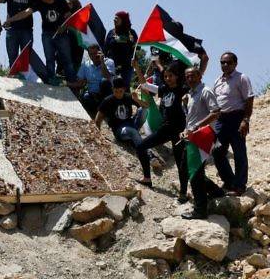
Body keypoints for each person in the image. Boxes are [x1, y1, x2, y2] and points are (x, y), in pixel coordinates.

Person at [133, 60, 188, 198]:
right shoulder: (164, 89)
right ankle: (147, 178)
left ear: (177, 76)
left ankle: (183, 192)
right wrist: (137, 67)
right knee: (140, 146)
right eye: (166, 76)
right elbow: (145, 85)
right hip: (165, 129)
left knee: (181, 163)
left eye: (171, 76)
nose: (168, 78)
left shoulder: (182, 89)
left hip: (179, 131)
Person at [180, 66, 224, 219]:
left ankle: (200, 210)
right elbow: (192, 118)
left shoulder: (205, 91)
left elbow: (216, 112)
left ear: (200, 76)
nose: (190, 79)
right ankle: (215, 191)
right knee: (188, 169)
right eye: (187, 76)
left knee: (195, 173)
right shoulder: (191, 94)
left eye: (193, 76)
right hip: (192, 137)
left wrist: (196, 127)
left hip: (202, 136)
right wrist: (186, 130)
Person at [212, 51, 254, 195]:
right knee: (217, 151)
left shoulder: (242, 78)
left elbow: (249, 99)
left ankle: (240, 186)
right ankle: (230, 182)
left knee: (239, 152)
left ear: (235, 63)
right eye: (222, 62)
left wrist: (245, 120)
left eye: (228, 62)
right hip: (221, 120)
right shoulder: (217, 81)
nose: (225, 65)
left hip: (237, 118)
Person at [0, 0, 38, 66]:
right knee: (12, 56)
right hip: (12, 30)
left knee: (26, 55)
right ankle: (13, 75)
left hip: (26, 30)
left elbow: (27, 12)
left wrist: (10, 19)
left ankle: (26, 76)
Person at [36, 0, 74, 85]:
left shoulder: (61, 1)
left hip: (61, 34)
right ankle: (51, 81)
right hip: (47, 34)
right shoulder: (40, 2)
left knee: (67, 59)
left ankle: (72, 82)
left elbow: (69, 17)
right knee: (49, 58)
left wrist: (64, 27)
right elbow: (29, 10)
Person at [95, 77, 149, 147]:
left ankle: (135, 135)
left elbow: (146, 106)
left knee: (144, 110)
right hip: (119, 130)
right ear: (112, 90)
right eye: (116, 91)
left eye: (121, 91)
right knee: (132, 131)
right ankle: (144, 150)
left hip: (131, 123)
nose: (118, 94)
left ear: (124, 89)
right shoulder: (107, 101)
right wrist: (99, 136)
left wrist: (137, 99)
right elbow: (98, 119)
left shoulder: (128, 96)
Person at [68, 44, 115, 117]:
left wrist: (102, 62)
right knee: (86, 97)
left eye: (95, 53)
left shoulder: (109, 62)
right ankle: (96, 112)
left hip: (106, 94)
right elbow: (80, 83)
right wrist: (67, 84)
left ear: (99, 52)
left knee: (104, 81)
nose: (93, 56)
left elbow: (107, 76)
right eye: (91, 54)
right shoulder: (86, 65)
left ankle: (108, 110)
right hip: (93, 95)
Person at [104, 11, 138, 85]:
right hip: (112, 66)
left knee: (124, 87)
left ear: (123, 20)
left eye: (116, 18)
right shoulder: (111, 33)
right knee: (111, 86)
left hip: (126, 67)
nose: (114, 20)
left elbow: (137, 48)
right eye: (114, 18)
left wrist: (132, 42)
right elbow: (105, 48)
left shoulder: (131, 33)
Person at [67, 0, 84, 72]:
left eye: (69, 4)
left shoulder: (80, 18)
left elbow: (80, 34)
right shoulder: (65, 15)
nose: (67, 5)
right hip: (65, 48)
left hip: (76, 48)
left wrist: (69, 26)